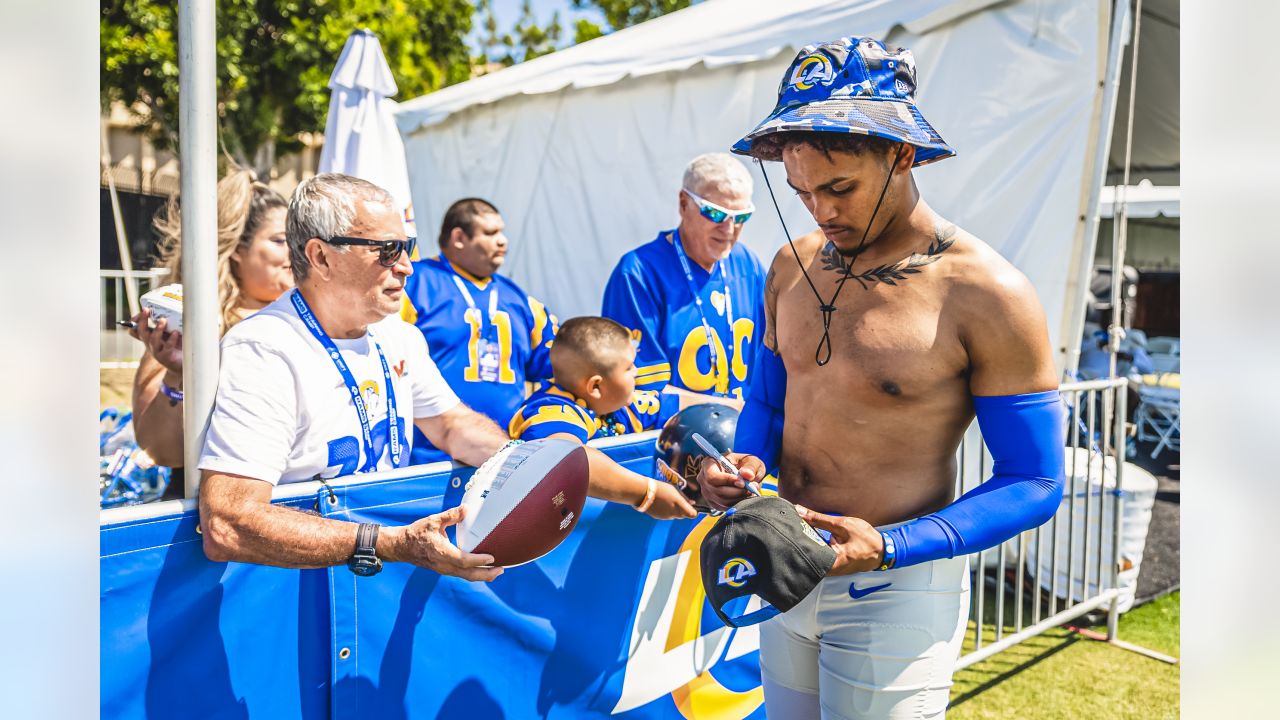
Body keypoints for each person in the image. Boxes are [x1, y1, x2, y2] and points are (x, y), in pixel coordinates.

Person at [698, 37, 1066, 719]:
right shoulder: (788, 265)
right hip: (790, 561)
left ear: (902, 154)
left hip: (899, 587)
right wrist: (743, 462)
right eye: (802, 191)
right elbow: (769, 404)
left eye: (840, 188)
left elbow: (1036, 480)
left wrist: (893, 547)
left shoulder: (989, 293)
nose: (822, 211)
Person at [197, 174, 688, 577]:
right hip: (282, 600)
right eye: (387, 250)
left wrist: (523, 465)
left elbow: (453, 426)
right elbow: (229, 523)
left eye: (406, 246)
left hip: (365, 582)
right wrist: (388, 543)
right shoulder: (264, 348)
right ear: (322, 257)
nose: (408, 267)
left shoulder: (397, 335)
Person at [128, 169, 292, 498]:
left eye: (297, 240)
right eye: (279, 240)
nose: (295, 252)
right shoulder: (189, 327)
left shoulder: (308, 319)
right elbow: (162, 452)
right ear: (236, 249)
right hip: (207, 514)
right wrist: (179, 376)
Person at [601, 153, 768, 411]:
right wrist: (730, 408)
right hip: (669, 440)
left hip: (742, 432)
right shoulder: (638, 274)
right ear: (683, 203)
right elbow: (640, 390)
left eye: (742, 217)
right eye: (715, 213)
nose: (729, 228)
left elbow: (771, 360)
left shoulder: (749, 265)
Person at [401, 198, 558, 464]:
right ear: (459, 237)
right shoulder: (412, 285)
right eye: (490, 233)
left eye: (502, 232)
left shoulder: (520, 300)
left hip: (502, 455)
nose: (503, 241)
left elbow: (559, 368)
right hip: (425, 460)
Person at [509, 316, 694, 517]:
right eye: (629, 367)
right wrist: (648, 493)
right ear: (596, 386)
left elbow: (683, 405)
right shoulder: (548, 412)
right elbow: (565, 458)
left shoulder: (620, 404)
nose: (637, 372)